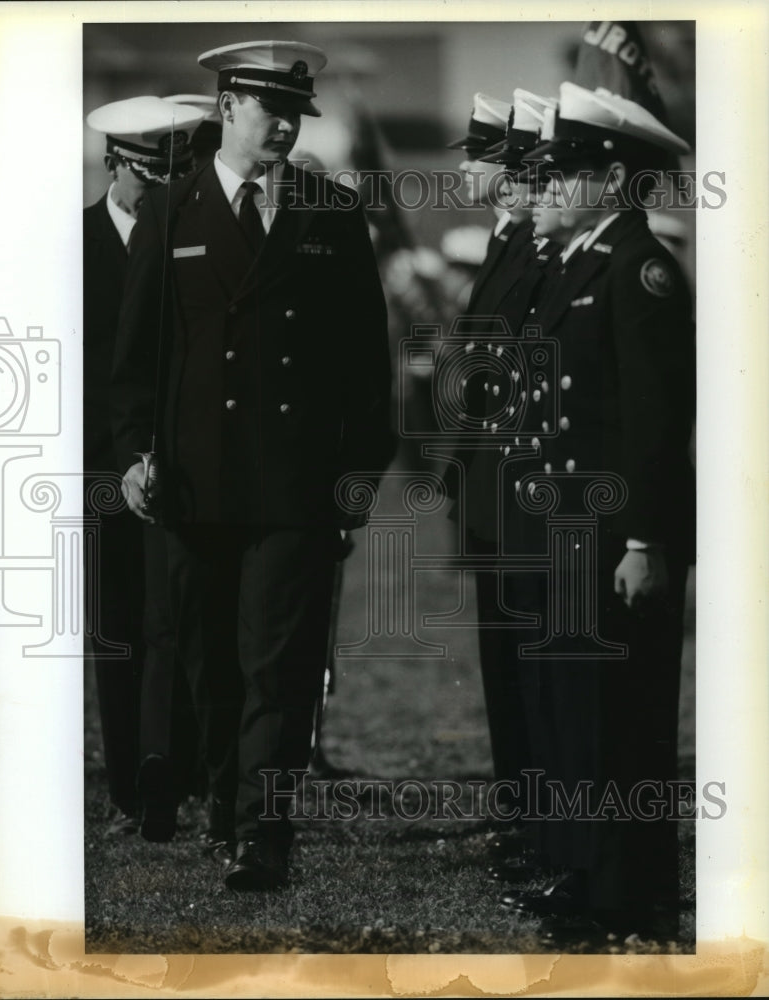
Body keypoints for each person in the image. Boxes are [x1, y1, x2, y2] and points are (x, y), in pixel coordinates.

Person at [111, 40, 393, 892]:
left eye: (295, 115)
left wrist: (354, 483)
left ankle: (266, 829)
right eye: (270, 111)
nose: (283, 129)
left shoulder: (330, 211)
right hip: (197, 485)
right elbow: (136, 361)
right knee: (211, 660)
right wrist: (133, 457)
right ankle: (228, 810)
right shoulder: (171, 211)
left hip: (293, 488)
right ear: (229, 105)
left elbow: (364, 367)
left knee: (280, 662)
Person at [497, 82, 695, 944]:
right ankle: (581, 870)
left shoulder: (638, 268)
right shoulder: (578, 263)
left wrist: (647, 538)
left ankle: (624, 887)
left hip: (615, 533)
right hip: (562, 527)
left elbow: (653, 422)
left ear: (613, 177)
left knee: (617, 713)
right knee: (572, 708)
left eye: (571, 170)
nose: (554, 185)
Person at [443, 89, 562, 883]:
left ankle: (535, 815)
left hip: (518, 490)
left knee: (527, 664)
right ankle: (520, 805)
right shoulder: (503, 243)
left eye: (481, 155)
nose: (465, 168)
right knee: (504, 662)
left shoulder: (534, 251)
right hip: (488, 487)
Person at [84, 96, 205, 837]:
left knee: (179, 622)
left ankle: (172, 778)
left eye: (172, 172)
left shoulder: (193, 238)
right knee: (118, 625)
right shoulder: (71, 243)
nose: (158, 187)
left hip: (181, 465)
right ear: (112, 165)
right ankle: (129, 781)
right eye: (144, 173)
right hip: (100, 468)